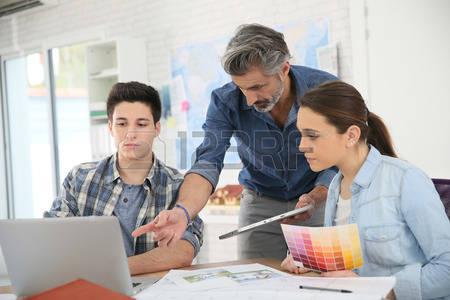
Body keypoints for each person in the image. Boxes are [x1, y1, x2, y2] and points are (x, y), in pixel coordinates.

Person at [133, 24, 337, 260]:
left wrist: (319, 193)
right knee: (256, 284)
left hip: (316, 197)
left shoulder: (325, 89)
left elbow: (340, 153)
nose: (249, 100)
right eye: (242, 89)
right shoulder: (224, 101)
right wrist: (182, 212)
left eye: (257, 87)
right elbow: (208, 161)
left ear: (284, 69)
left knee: (319, 277)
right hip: (260, 202)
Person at [281, 80, 450, 300]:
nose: (302, 145)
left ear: (351, 135)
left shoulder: (406, 180)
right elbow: (346, 271)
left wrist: (380, 291)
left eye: (312, 135)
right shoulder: (335, 187)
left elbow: (447, 269)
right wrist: (305, 260)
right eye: (301, 134)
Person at [45, 81, 203, 275]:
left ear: (157, 128)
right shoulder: (79, 179)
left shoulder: (178, 185)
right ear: (110, 127)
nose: (130, 133)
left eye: (141, 124)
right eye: (122, 123)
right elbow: (52, 238)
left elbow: (184, 251)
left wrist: (111, 270)